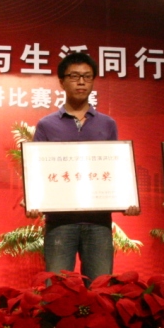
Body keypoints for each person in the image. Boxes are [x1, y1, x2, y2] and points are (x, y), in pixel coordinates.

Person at [27, 52, 139, 282]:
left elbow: (114, 168)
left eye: (87, 77)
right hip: (59, 223)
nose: (81, 82)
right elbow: (36, 170)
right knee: (57, 290)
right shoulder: (47, 125)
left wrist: (127, 199)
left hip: (98, 222)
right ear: (62, 82)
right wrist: (33, 200)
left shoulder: (107, 124)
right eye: (74, 76)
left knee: (100, 289)